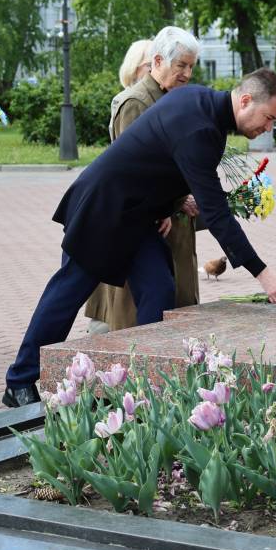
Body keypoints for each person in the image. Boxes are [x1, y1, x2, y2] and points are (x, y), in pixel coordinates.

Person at [2, 68, 276, 406]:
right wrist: (262, 272)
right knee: (67, 293)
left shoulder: (199, 101)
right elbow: (215, 212)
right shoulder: (202, 128)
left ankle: (144, 386)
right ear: (245, 100)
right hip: (105, 210)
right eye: (269, 117)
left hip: (138, 217)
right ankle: (19, 382)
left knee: (158, 289)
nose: (268, 127)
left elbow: (159, 159)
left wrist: (168, 204)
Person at [85, 28, 201, 334]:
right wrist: (173, 201)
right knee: (148, 305)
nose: (187, 74)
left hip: (169, 220)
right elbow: (134, 171)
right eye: (182, 66)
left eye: (191, 67)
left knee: (171, 304)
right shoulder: (136, 103)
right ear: (158, 62)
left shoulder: (171, 98)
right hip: (145, 223)